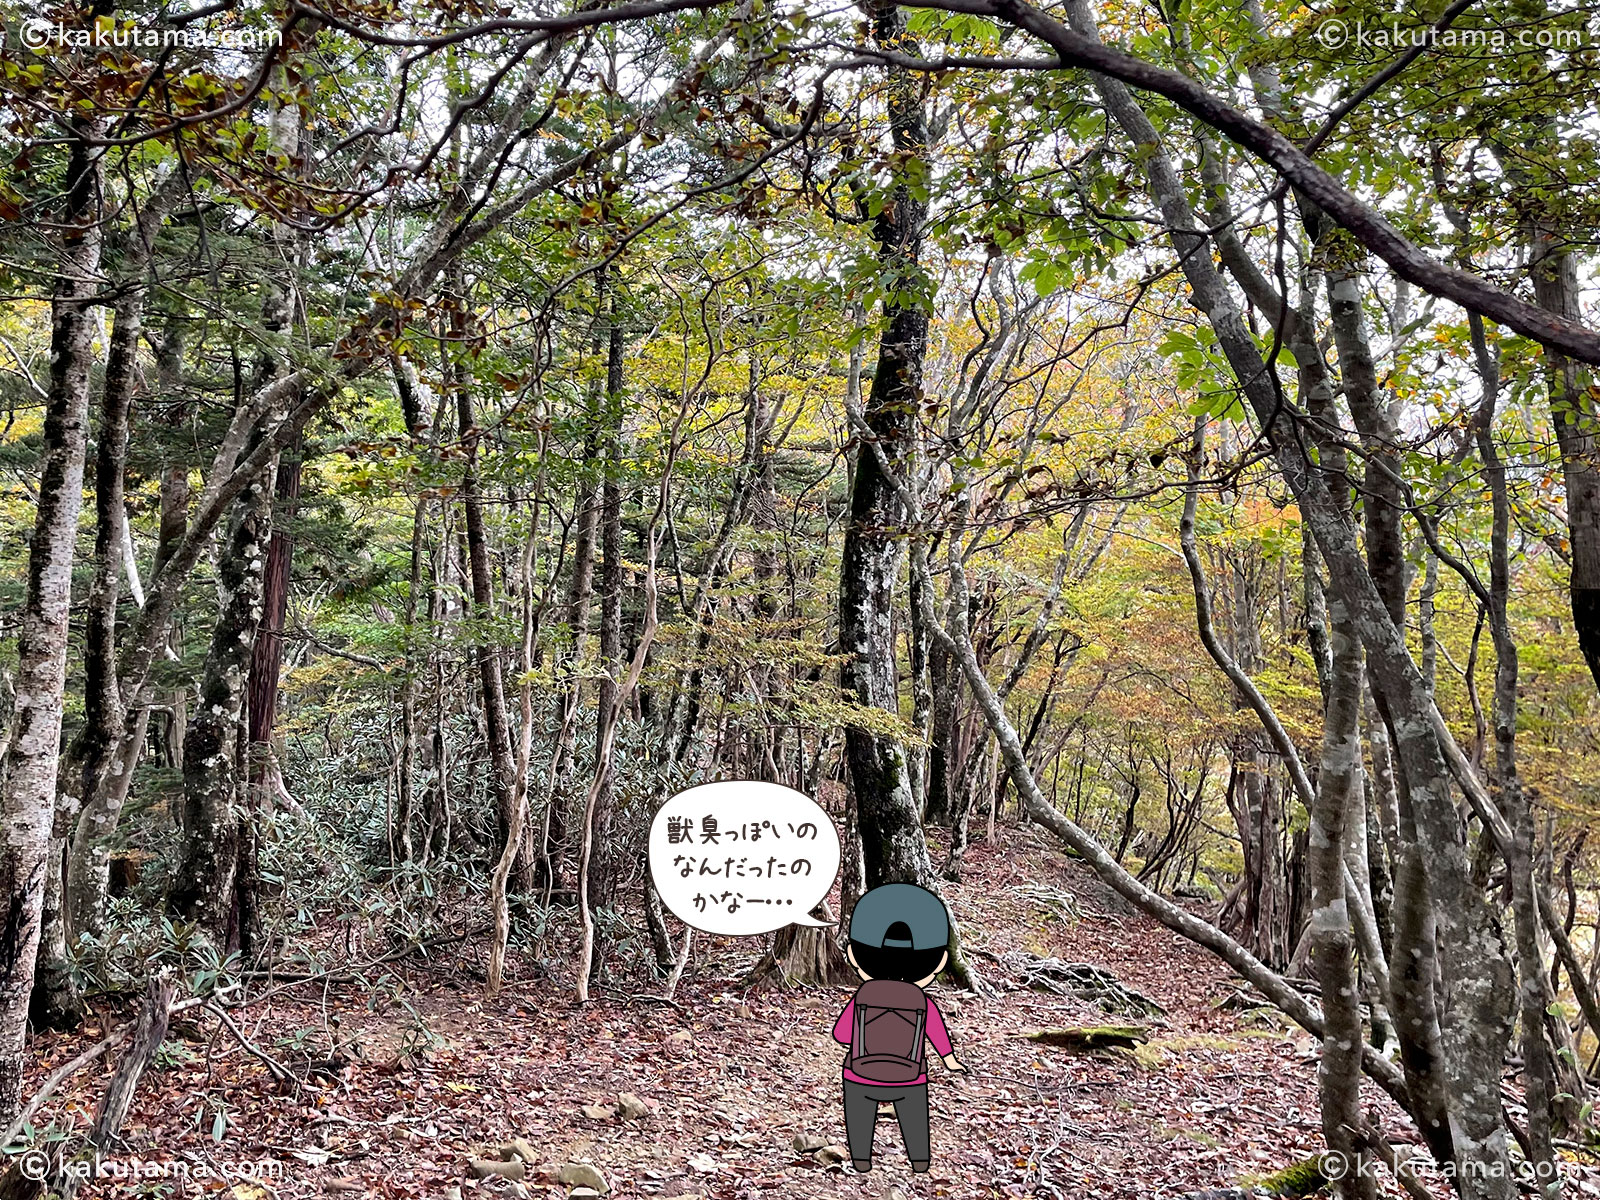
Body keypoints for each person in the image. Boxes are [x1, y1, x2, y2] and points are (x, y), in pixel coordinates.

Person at [831, 882, 968, 1174]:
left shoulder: (862, 996)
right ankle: (920, 1160)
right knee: (915, 1119)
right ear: (940, 961)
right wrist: (950, 1061)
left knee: (859, 1116)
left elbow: (841, 1035)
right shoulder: (922, 1000)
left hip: (860, 1074)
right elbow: (938, 1036)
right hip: (910, 1077)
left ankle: (862, 1161)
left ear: (855, 955)